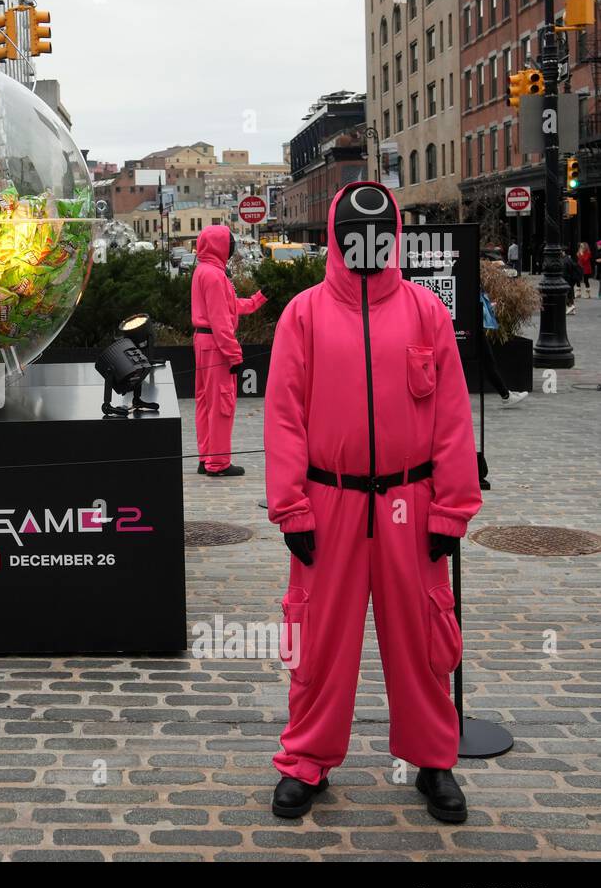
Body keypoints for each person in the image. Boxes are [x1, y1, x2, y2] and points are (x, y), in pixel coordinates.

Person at [265, 180, 481, 824]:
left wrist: (451, 509)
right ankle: (306, 759)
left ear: (393, 238)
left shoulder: (425, 313)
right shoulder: (302, 314)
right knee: (318, 639)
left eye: (380, 233)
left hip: (411, 505)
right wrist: (291, 508)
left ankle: (434, 759)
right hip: (328, 503)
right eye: (356, 234)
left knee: (422, 637)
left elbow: (450, 417)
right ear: (337, 237)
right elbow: (282, 418)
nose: (367, 244)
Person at [191, 226, 266, 476]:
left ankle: (206, 458)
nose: (232, 247)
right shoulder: (214, 275)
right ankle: (218, 463)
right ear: (220, 245)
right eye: (229, 242)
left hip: (204, 344)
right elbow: (222, 320)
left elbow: (228, 306)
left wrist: (257, 300)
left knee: (205, 403)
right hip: (216, 346)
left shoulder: (204, 271)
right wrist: (234, 355)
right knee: (222, 405)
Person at [479, 291, 527, 409]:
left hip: (471, 325)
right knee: (487, 362)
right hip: (473, 326)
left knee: (486, 362)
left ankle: (506, 394)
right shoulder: (469, 279)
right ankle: (506, 395)